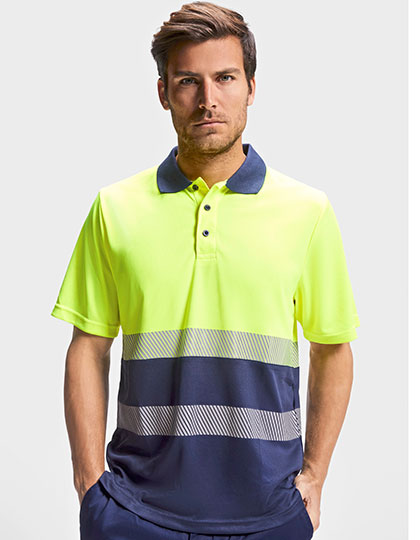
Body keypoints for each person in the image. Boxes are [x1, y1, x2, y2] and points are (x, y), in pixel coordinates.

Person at [51, 2, 360, 539]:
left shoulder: (307, 211)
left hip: (270, 514)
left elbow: (332, 348)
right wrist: (88, 483)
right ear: (163, 93)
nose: (208, 99)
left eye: (225, 78)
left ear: (251, 88)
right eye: (188, 81)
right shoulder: (115, 208)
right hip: (133, 511)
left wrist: (314, 477)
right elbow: (88, 345)